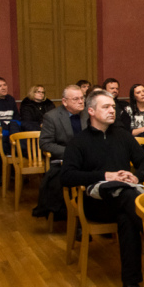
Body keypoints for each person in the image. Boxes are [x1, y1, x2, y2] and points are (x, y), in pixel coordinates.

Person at [60, 90, 144, 287]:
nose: (112, 110)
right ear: (91, 111)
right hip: (96, 205)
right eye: (106, 107)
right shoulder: (79, 141)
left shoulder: (123, 136)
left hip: (125, 203)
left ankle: (130, 285)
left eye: (113, 106)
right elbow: (66, 176)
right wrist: (105, 176)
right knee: (129, 200)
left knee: (127, 216)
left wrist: (136, 176)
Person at [35, 85, 89, 220]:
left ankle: (95, 215)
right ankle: (75, 217)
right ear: (64, 101)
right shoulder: (52, 117)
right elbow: (45, 143)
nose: (81, 102)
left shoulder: (89, 114)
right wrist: (72, 153)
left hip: (88, 159)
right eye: (76, 99)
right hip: (64, 159)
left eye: (82, 98)